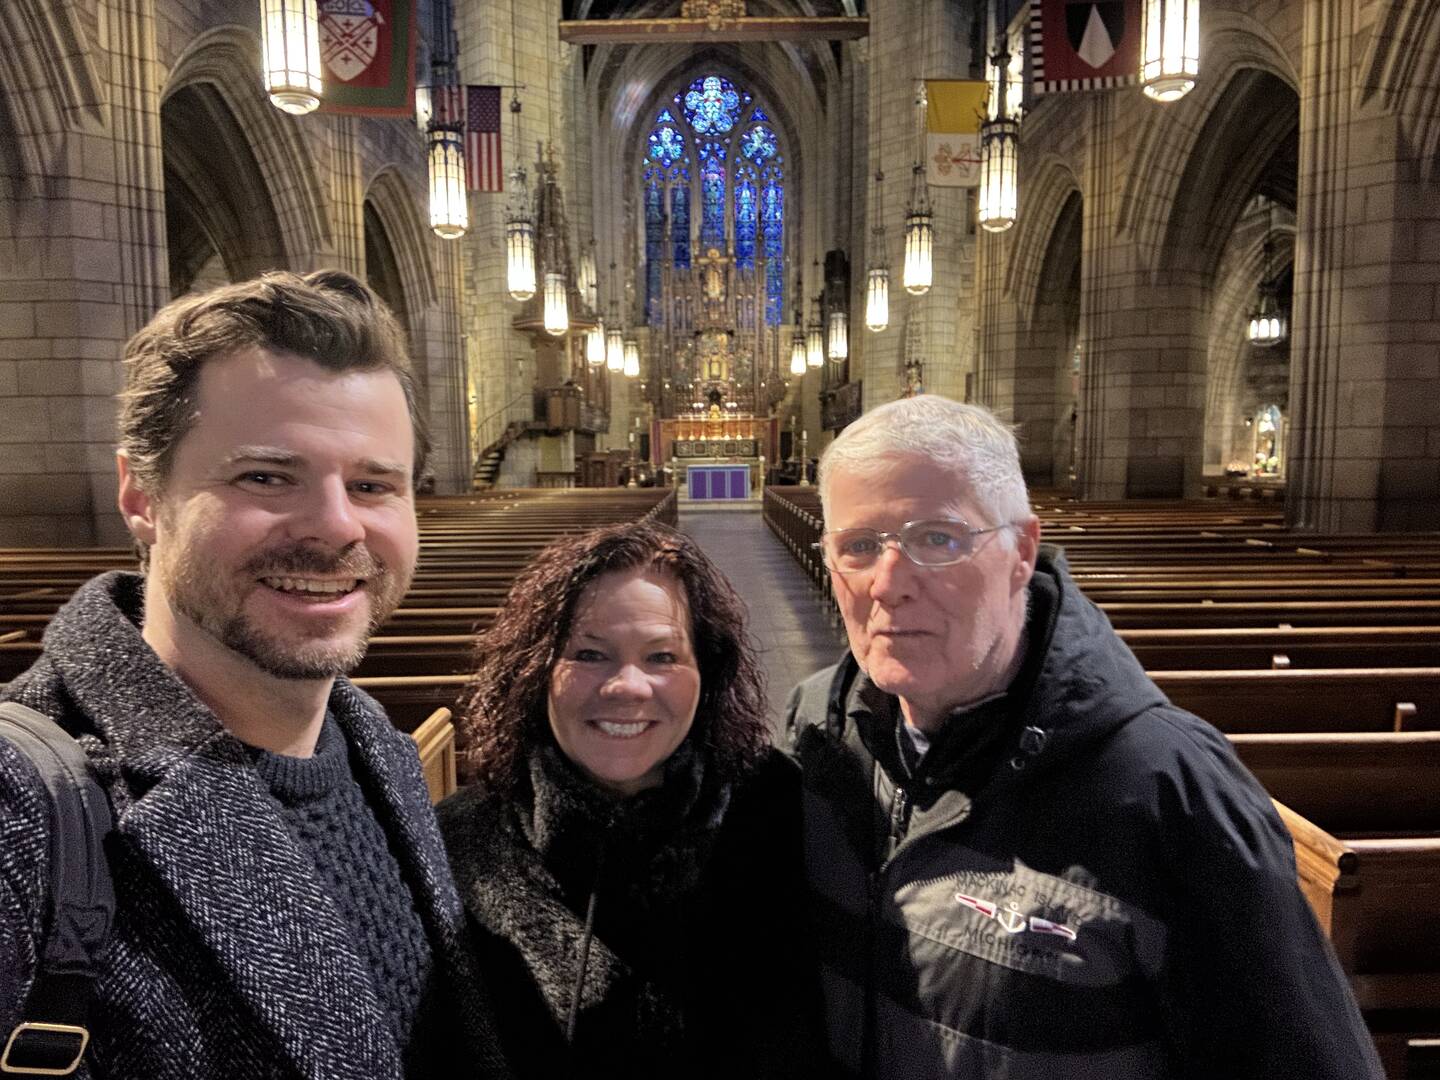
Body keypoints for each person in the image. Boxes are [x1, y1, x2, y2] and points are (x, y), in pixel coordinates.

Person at [0, 271, 508, 1080]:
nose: (338, 526)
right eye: (266, 476)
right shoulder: (23, 808)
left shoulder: (380, 748)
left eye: (373, 484)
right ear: (141, 494)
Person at [784, 395, 1383, 1079]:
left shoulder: (1171, 792)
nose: (889, 584)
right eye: (859, 546)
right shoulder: (813, 734)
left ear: (1021, 552)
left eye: (938, 539)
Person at [438, 521, 822, 1080]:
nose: (627, 687)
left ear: (707, 672)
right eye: (590, 654)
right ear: (536, 670)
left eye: (662, 657)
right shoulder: (460, 845)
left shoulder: (782, 812)